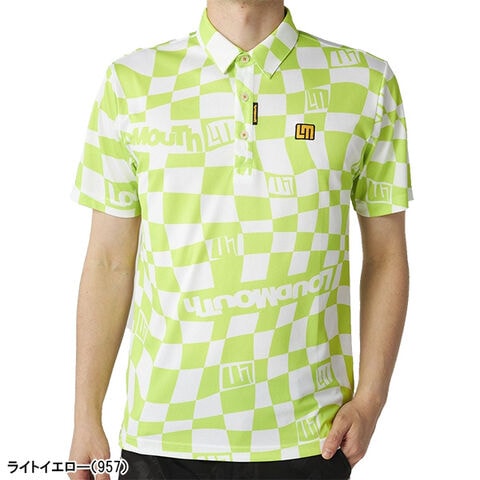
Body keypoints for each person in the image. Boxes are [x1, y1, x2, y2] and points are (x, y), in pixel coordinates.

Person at [68, 0, 412, 478]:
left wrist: (371, 399)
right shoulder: (131, 83)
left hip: (311, 436)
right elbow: (109, 261)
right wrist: (86, 415)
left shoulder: (365, 82)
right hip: (162, 432)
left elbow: (386, 255)